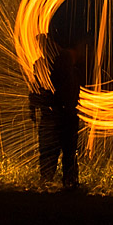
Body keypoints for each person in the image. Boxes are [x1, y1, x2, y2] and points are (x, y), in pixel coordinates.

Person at [28, 34, 85, 190]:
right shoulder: (42, 64)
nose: (41, 49)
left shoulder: (63, 64)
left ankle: (61, 183)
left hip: (60, 116)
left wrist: (33, 107)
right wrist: (33, 107)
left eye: (44, 46)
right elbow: (35, 88)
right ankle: (64, 183)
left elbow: (37, 89)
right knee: (58, 154)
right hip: (60, 116)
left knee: (62, 154)